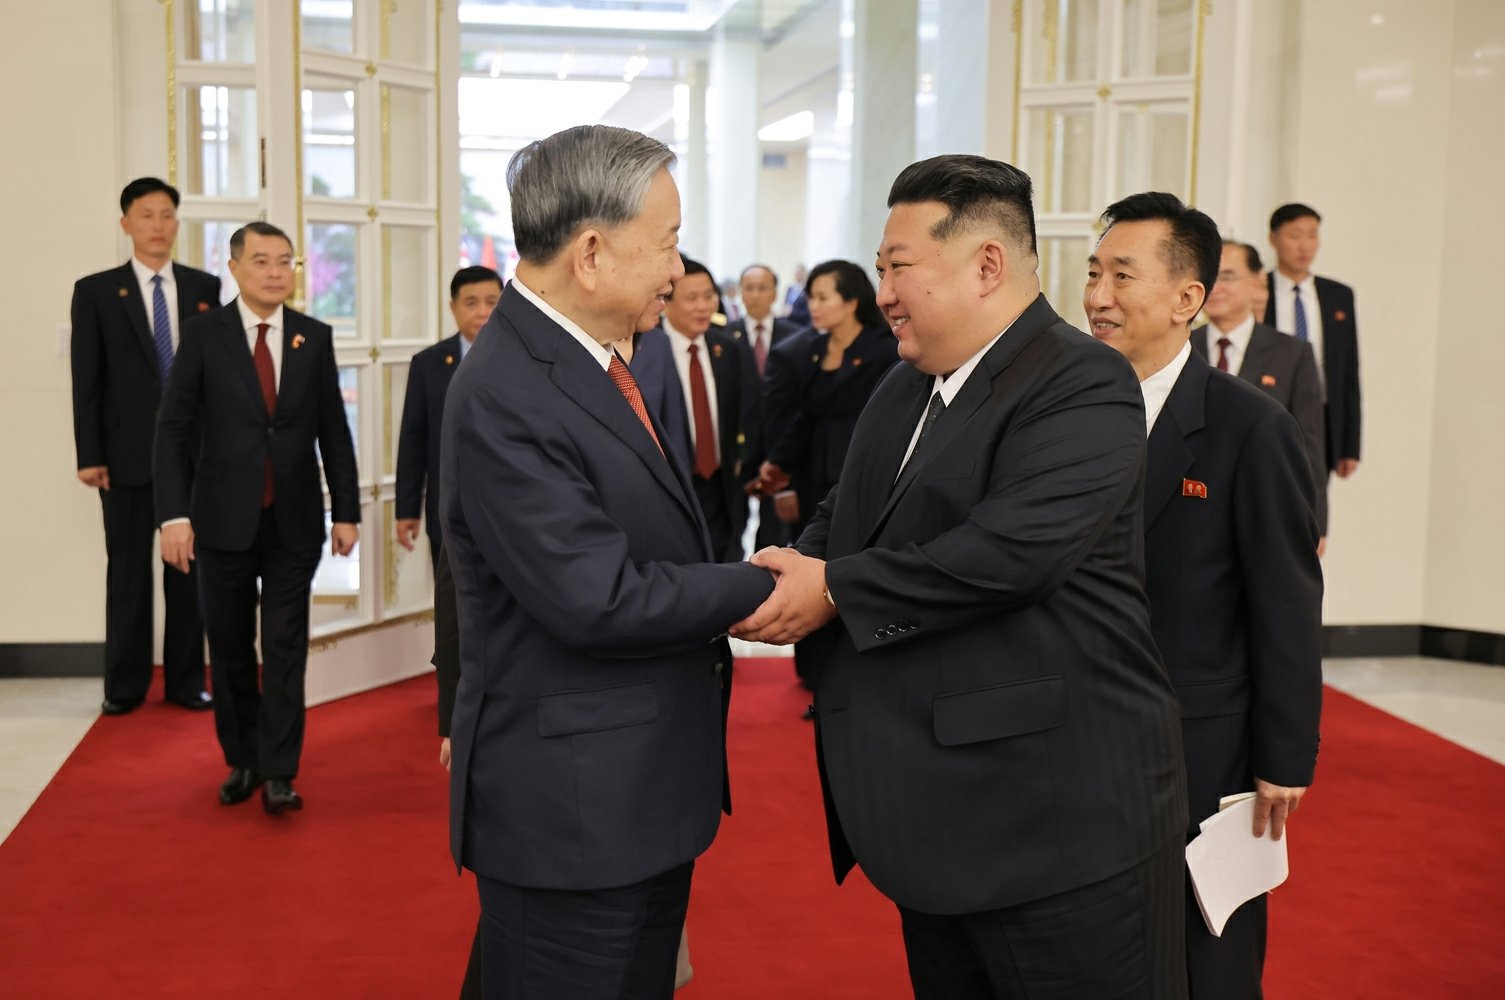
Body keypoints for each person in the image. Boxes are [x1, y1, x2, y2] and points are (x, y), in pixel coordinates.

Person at [733, 154, 1189, 999]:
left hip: (1055, 830)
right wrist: (776, 576)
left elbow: (1008, 554)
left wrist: (829, 590)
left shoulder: (1081, 380)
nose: (883, 294)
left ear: (985, 265)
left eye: (898, 268)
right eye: (879, 270)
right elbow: (845, 513)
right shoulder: (906, 384)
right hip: (938, 822)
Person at [439, 124, 774, 999]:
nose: (677, 268)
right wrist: (764, 584)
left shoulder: (591, 361)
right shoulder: (508, 390)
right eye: (665, 243)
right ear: (590, 253)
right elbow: (598, 596)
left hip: (631, 794)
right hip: (573, 813)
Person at [1086, 191, 1322, 999]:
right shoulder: (1062, 415)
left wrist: (1282, 756)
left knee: (1204, 958)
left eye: (1121, 275)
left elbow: (1284, 600)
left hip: (1197, 746)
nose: (1097, 296)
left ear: (1187, 297)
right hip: (1075, 740)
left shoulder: (1247, 427)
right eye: (1092, 273)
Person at [156, 221, 359, 814]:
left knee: (286, 647)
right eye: (262, 261)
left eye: (285, 261)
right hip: (221, 519)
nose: (275, 272)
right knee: (231, 648)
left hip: (293, 521)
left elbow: (333, 431)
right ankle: (242, 758)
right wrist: (173, 515)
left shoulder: (312, 337)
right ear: (235, 268)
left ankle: (279, 771)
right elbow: (172, 430)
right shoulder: (204, 335)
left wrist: (346, 512)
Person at [70, 177, 219, 715]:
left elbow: (215, 375)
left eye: (166, 215)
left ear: (177, 224)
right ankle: (125, 686)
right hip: (124, 456)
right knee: (129, 573)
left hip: (191, 455)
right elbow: (86, 378)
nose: (158, 225)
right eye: (147, 215)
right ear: (126, 224)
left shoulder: (204, 287)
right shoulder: (97, 291)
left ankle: (186, 682)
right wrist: (90, 454)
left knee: (188, 572)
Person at [1193, 241, 1328, 544]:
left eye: (1227, 276)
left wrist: (1316, 520)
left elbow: (1309, 443)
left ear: (1257, 283)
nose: (1215, 287)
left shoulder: (1292, 354)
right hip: (1192, 511)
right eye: (1208, 276)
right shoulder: (1183, 347)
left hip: (1265, 509)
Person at [632, 256, 764, 562]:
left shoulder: (727, 348)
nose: (703, 307)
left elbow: (745, 413)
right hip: (675, 486)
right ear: (666, 302)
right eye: (692, 298)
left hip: (722, 487)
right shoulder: (645, 350)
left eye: (709, 296)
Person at [757, 260, 898, 539]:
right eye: (811, 298)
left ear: (850, 303)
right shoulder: (809, 350)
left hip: (860, 476)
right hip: (811, 478)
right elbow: (800, 418)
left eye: (823, 298)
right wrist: (778, 467)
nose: (813, 306)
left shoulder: (885, 350)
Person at [395, 266, 503, 567]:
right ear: (453, 308)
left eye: (492, 302)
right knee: (451, 591)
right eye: (471, 303)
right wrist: (407, 510)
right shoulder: (428, 364)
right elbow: (413, 440)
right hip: (449, 509)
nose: (482, 312)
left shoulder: (524, 360)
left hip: (509, 509)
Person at [1263, 202, 1361, 480]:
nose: (1304, 245)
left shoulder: (1338, 296)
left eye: (1312, 235)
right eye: (1295, 235)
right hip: (1271, 408)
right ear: (1273, 239)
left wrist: (1350, 444)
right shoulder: (1258, 290)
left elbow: (1348, 370)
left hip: (1321, 414)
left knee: (1313, 493)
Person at [725, 264, 800, 550]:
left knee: (774, 534)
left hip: (778, 448)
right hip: (737, 450)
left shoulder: (795, 336)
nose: (755, 294)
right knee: (732, 526)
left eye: (762, 288)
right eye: (749, 288)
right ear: (741, 293)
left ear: (774, 293)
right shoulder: (723, 337)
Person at [782, 262, 811, 326]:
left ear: (804, 274)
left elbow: (807, 313)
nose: (797, 274)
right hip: (787, 322)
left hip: (800, 324)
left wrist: (792, 313)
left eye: (799, 272)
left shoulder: (808, 290)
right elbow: (785, 306)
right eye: (796, 272)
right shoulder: (790, 289)